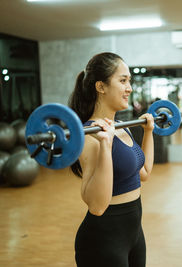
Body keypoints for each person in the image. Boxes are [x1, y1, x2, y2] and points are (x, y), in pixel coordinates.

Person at [68, 52, 155, 266]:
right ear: (101, 87)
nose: (129, 88)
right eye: (123, 80)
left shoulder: (123, 129)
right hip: (104, 240)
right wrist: (105, 147)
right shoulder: (90, 135)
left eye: (129, 81)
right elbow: (97, 206)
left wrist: (149, 132)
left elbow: (144, 173)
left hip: (134, 233)